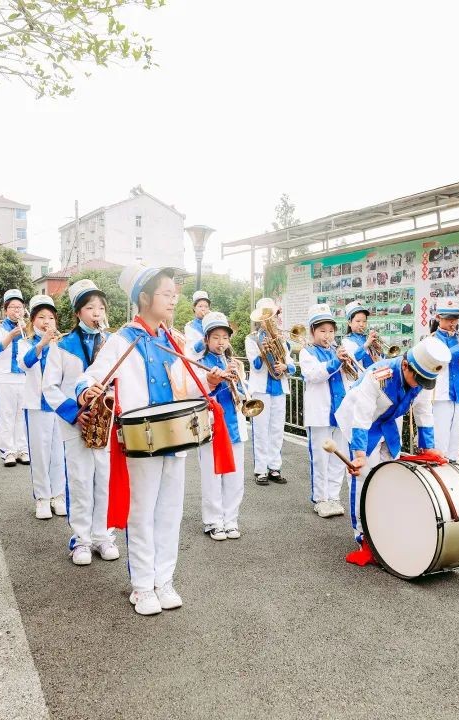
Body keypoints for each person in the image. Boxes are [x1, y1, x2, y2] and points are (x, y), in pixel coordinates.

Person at [77, 264, 225, 616]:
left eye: (175, 294)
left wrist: (212, 382)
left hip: (176, 436)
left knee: (170, 512)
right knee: (142, 513)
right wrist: (87, 390)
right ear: (144, 297)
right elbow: (91, 377)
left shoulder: (175, 341)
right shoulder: (122, 340)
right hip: (140, 440)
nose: (174, 300)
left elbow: (188, 386)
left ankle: (164, 580)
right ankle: (143, 586)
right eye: (166, 294)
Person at [336, 336, 451, 557]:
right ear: (406, 365)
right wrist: (359, 454)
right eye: (417, 379)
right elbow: (361, 416)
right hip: (359, 422)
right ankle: (363, 537)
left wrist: (428, 448)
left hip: (386, 421)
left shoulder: (423, 377)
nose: (419, 386)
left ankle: (384, 527)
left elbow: (424, 413)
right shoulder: (379, 375)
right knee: (362, 477)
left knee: (389, 473)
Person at [42, 280, 117, 564]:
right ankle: (81, 539)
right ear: (77, 312)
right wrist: (76, 413)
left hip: (106, 422)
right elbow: (49, 387)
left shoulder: (111, 343)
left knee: (104, 479)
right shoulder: (62, 345)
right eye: (89, 307)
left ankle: (102, 535)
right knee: (80, 479)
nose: (96, 312)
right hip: (75, 422)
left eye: (100, 307)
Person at [196, 311, 248, 540]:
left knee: (235, 478)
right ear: (207, 340)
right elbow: (199, 395)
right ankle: (213, 521)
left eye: (224, 338)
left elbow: (246, 395)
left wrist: (239, 379)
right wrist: (215, 382)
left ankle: (231, 519)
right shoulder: (199, 364)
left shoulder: (234, 363)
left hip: (234, 425)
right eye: (215, 337)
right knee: (212, 476)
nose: (221, 342)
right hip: (211, 426)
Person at [297, 304, 349, 518]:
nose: (327, 335)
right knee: (320, 458)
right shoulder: (306, 353)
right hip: (320, 413)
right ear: (312, 332)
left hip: (342, 411)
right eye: (322, 331)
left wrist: (346, 362)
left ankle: (334, 496)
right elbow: (314, 375)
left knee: (339, 456)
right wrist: (337, 361)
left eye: (330, 330)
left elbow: (351, 378)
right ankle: (320, 499)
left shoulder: (340, 351)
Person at [22, 294, 68, 521]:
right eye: (41, 317)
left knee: (58, 453)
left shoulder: (62, 344)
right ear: (33, 321)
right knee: (40, 453)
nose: (46, 321)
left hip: (59, 407)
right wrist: (42, 343)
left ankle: (58, 495)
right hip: (37, 406)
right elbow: (25, 363)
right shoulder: (26, 343)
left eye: (51, 317)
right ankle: (42, 497)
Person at [245, 298, 296, 485]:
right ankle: (260, 470)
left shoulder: (282, 340)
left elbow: (291, 365)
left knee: (276, 430)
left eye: (273, 316)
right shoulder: (251, 339)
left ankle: (274, 467)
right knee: (260, 431)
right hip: (261, 390)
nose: (271, 320)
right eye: (267, 317)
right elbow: (256, 366)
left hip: (279, 389)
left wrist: (285, 366)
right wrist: (262, 351)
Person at [429, 298, 459, 463]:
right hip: (441, 394)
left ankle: (452, 473)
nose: (452, 322)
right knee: (440, 438)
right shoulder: (431, 339)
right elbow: (439, 359)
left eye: (455, 319)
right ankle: (438, 472)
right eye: (448, 319)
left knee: (455, 441)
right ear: (438, 318)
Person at [0, 289, 31, 467]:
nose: (17, 310)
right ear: (5, 309)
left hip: (25, 377)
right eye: (13, 307)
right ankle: (8, 451)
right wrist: (10, 335)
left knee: (23, 415)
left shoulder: (28, 328)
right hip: (4, 377)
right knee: (6, 415)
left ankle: (23, 448)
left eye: (20, 307)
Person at [341, 300, 377, 372]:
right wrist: (367, 344)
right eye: (358, 321)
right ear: (349, 323)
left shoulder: (367, 337)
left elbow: (379, 359)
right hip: (361, 379)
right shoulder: (346, 340)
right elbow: (352, 358)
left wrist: (377, 349)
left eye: (364, 321)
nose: (362, 324)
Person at [184, 289, 210, 359]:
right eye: (200, 306)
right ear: (194, 308)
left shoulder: (211, 324)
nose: (203, 309)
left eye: (206, 306)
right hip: (199, 364)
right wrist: (204, 341)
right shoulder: (189, 327)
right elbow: (191, 351)